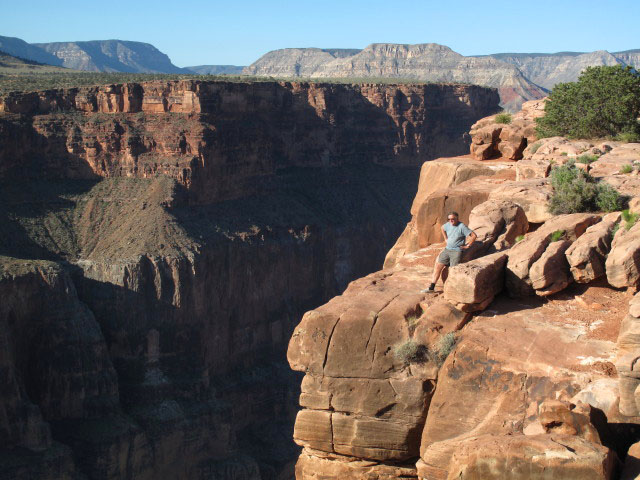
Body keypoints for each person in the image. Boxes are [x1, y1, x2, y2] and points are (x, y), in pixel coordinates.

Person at [421, 211, 477, 293]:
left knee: (453, 270)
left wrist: (468, 246)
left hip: (456, 251)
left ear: (457, 218)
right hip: (447, 249)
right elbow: (442, 228)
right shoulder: (447, 225)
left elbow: (474, 236)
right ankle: (431, 288)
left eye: (453, 219)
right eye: (449, 219)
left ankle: (452, 290)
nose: (451, 220)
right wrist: (445, 239)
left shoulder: (462, 226)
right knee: (438, 266)